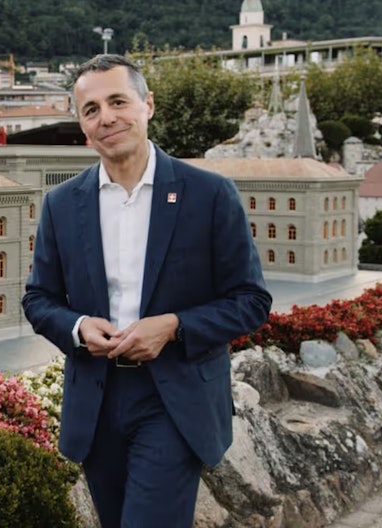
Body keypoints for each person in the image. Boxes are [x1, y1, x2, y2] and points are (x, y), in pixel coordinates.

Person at [22, 54, 272, 527]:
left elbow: (251, 300)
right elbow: (38, 299)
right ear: (81, 123)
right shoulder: (60, 204)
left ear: (147, 105)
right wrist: (76, 327)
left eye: (118, 101)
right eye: (91, 109)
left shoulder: (210, 195)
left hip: (174, 399)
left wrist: (175, 326)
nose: (106, 117)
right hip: (95, 402)